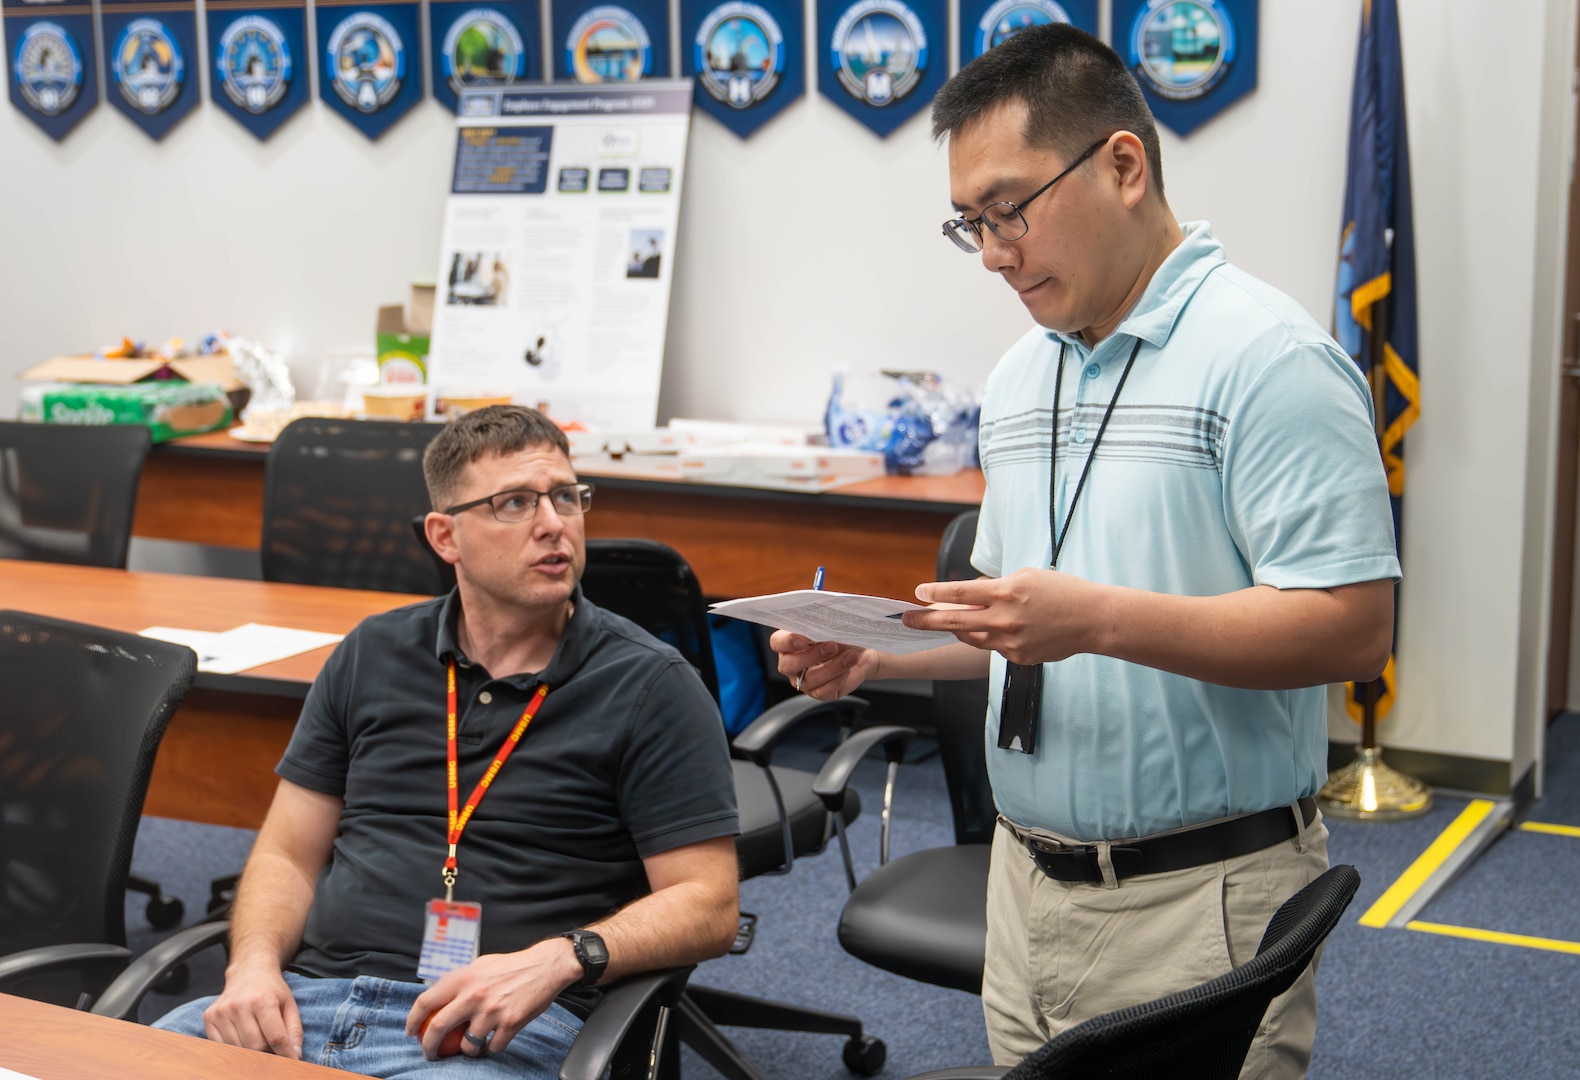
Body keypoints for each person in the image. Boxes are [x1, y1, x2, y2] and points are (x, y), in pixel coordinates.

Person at [773, 24, 1398, 1079]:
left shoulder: (1268, 360)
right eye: (967, 222)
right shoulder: (1023, 376)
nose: (992, 251)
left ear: (1122, 164)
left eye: (1010, 207)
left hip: (1199, 899)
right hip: (1025, 890)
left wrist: (1098, 618)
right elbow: (1016, 623)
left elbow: (1351, 628)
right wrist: (882, 655)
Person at [155, 405, 741, 1078]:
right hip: (303, 1005)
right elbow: (288, 851)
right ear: (446, 537)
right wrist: (252, 969)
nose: (554, 523)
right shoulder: (372, 652)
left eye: (565, 497)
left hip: (497, 1028)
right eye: (515, 503)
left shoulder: (650, 684)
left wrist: (560, 958)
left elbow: (710, 903)